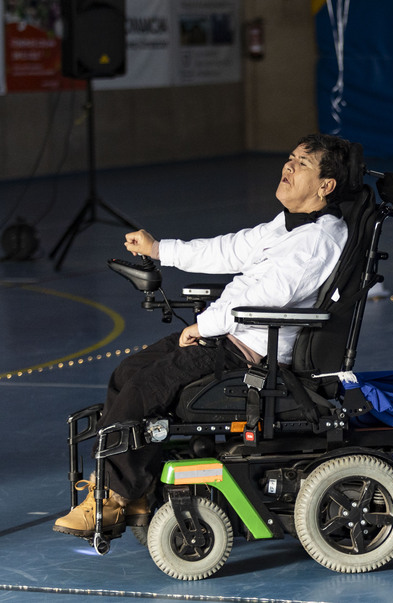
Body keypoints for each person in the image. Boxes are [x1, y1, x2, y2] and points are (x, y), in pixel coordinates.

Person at [52, 133, 353, 538]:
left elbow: (268, 296)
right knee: (128, 373)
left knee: (145, 388)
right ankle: (137, 494)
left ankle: (111, 496)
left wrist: (205, 325)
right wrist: (161, 250)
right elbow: (229, 250)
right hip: (229, 334)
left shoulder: (317, 240)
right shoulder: (288, 226)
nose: (287, 167)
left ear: (325, 186)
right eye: (289, 159)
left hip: (249, 351)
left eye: (301, 164)